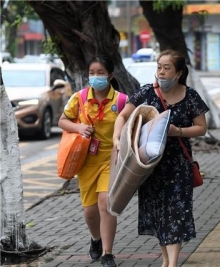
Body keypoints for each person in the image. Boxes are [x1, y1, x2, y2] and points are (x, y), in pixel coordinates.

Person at [113, 49, 209, 267]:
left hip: (178, 165)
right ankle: (166, 260)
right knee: (158, 213)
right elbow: (123, 116)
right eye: (159, 67)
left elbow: (201, 128)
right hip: (148, 166)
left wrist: (179, 132)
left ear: (178, 73)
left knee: (176, 212)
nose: (162, 72)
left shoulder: (191, 96)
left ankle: (172, 263)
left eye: (167, 68)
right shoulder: (146, 93)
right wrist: (117, 139)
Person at [59, 56, 125, 267]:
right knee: (90, 211)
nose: (95, 77)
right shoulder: (79, 98)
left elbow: (132, 125)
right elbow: (62, 120)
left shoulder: (121, 101)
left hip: (111, 160)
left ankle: (108, 253)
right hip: (86, 162)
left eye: (100, 73)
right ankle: (95, 239)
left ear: (110, 76)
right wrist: (79, 128)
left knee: (106, 203)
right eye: (92, 73)